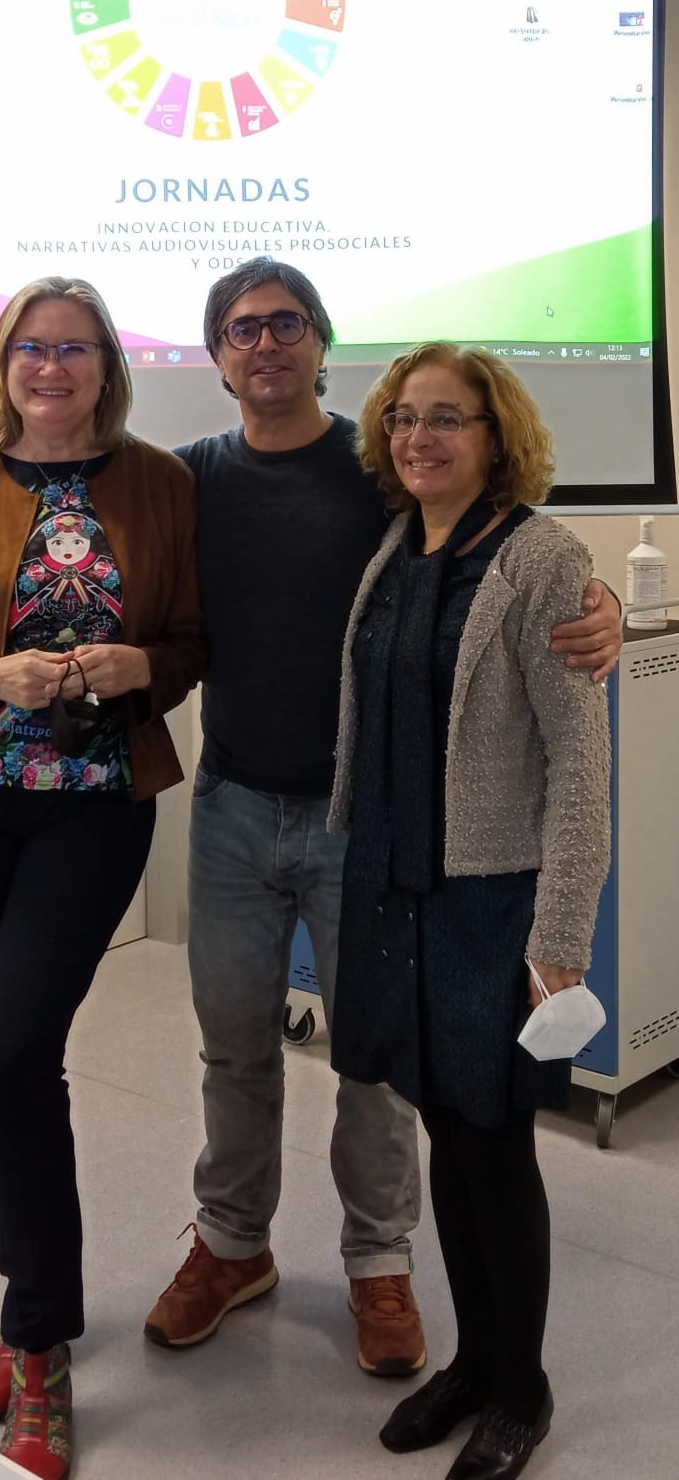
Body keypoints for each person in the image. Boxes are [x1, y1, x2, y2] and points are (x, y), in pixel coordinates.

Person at [0, 259, 621, 1386]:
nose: (266, 343)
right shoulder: (185, 478)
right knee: (234, 1044)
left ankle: (379, 1259)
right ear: (217, 356)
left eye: (287, 323)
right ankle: (234, 1242)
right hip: (231, 805)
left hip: (361, 820)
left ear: (322, 343)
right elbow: (87, 540)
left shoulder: (381, 471)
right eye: (241, 328)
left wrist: (601, 598)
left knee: (371, 1060)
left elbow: (493, 532)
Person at [0, 276, 206, 1480]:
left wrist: (138, 667)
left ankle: (38, 1345)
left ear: (108, 364)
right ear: (2, 362)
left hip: (94, 812)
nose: (51, 366)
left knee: (15, 1055)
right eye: (30, 347)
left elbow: (191, 643)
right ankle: (33, 1308)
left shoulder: (162, 484)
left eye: (74, 347)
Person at [328, 343, 611, 1480]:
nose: (419, 437)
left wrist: (561, 941)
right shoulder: (395, 544)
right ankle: (475, 1359)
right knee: (444, 1126)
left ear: (498, 437)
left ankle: (522, 1386)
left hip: (492, 900)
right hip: (393, 885)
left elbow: (580, 763)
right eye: (404, 417)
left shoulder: (543, 558)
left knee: (495, 1144)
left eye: (448, 417)